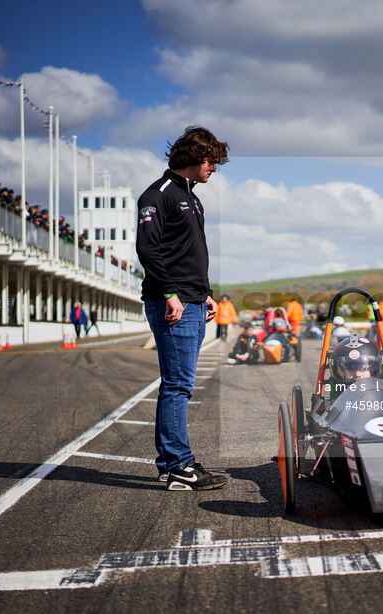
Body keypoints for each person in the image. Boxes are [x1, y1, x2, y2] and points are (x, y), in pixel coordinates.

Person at [136, 125, 230, 490]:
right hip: (171, 303)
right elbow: (149, 249)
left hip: (192, 300)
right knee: (177, 386)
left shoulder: (192, 197)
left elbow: (189, 252)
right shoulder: (157, 195)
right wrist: (171, 294)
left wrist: (204, 292)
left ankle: (174, 462)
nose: (215, 169)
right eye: (212, 161)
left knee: (180, 385)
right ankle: (178, 465)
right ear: (194, 157)